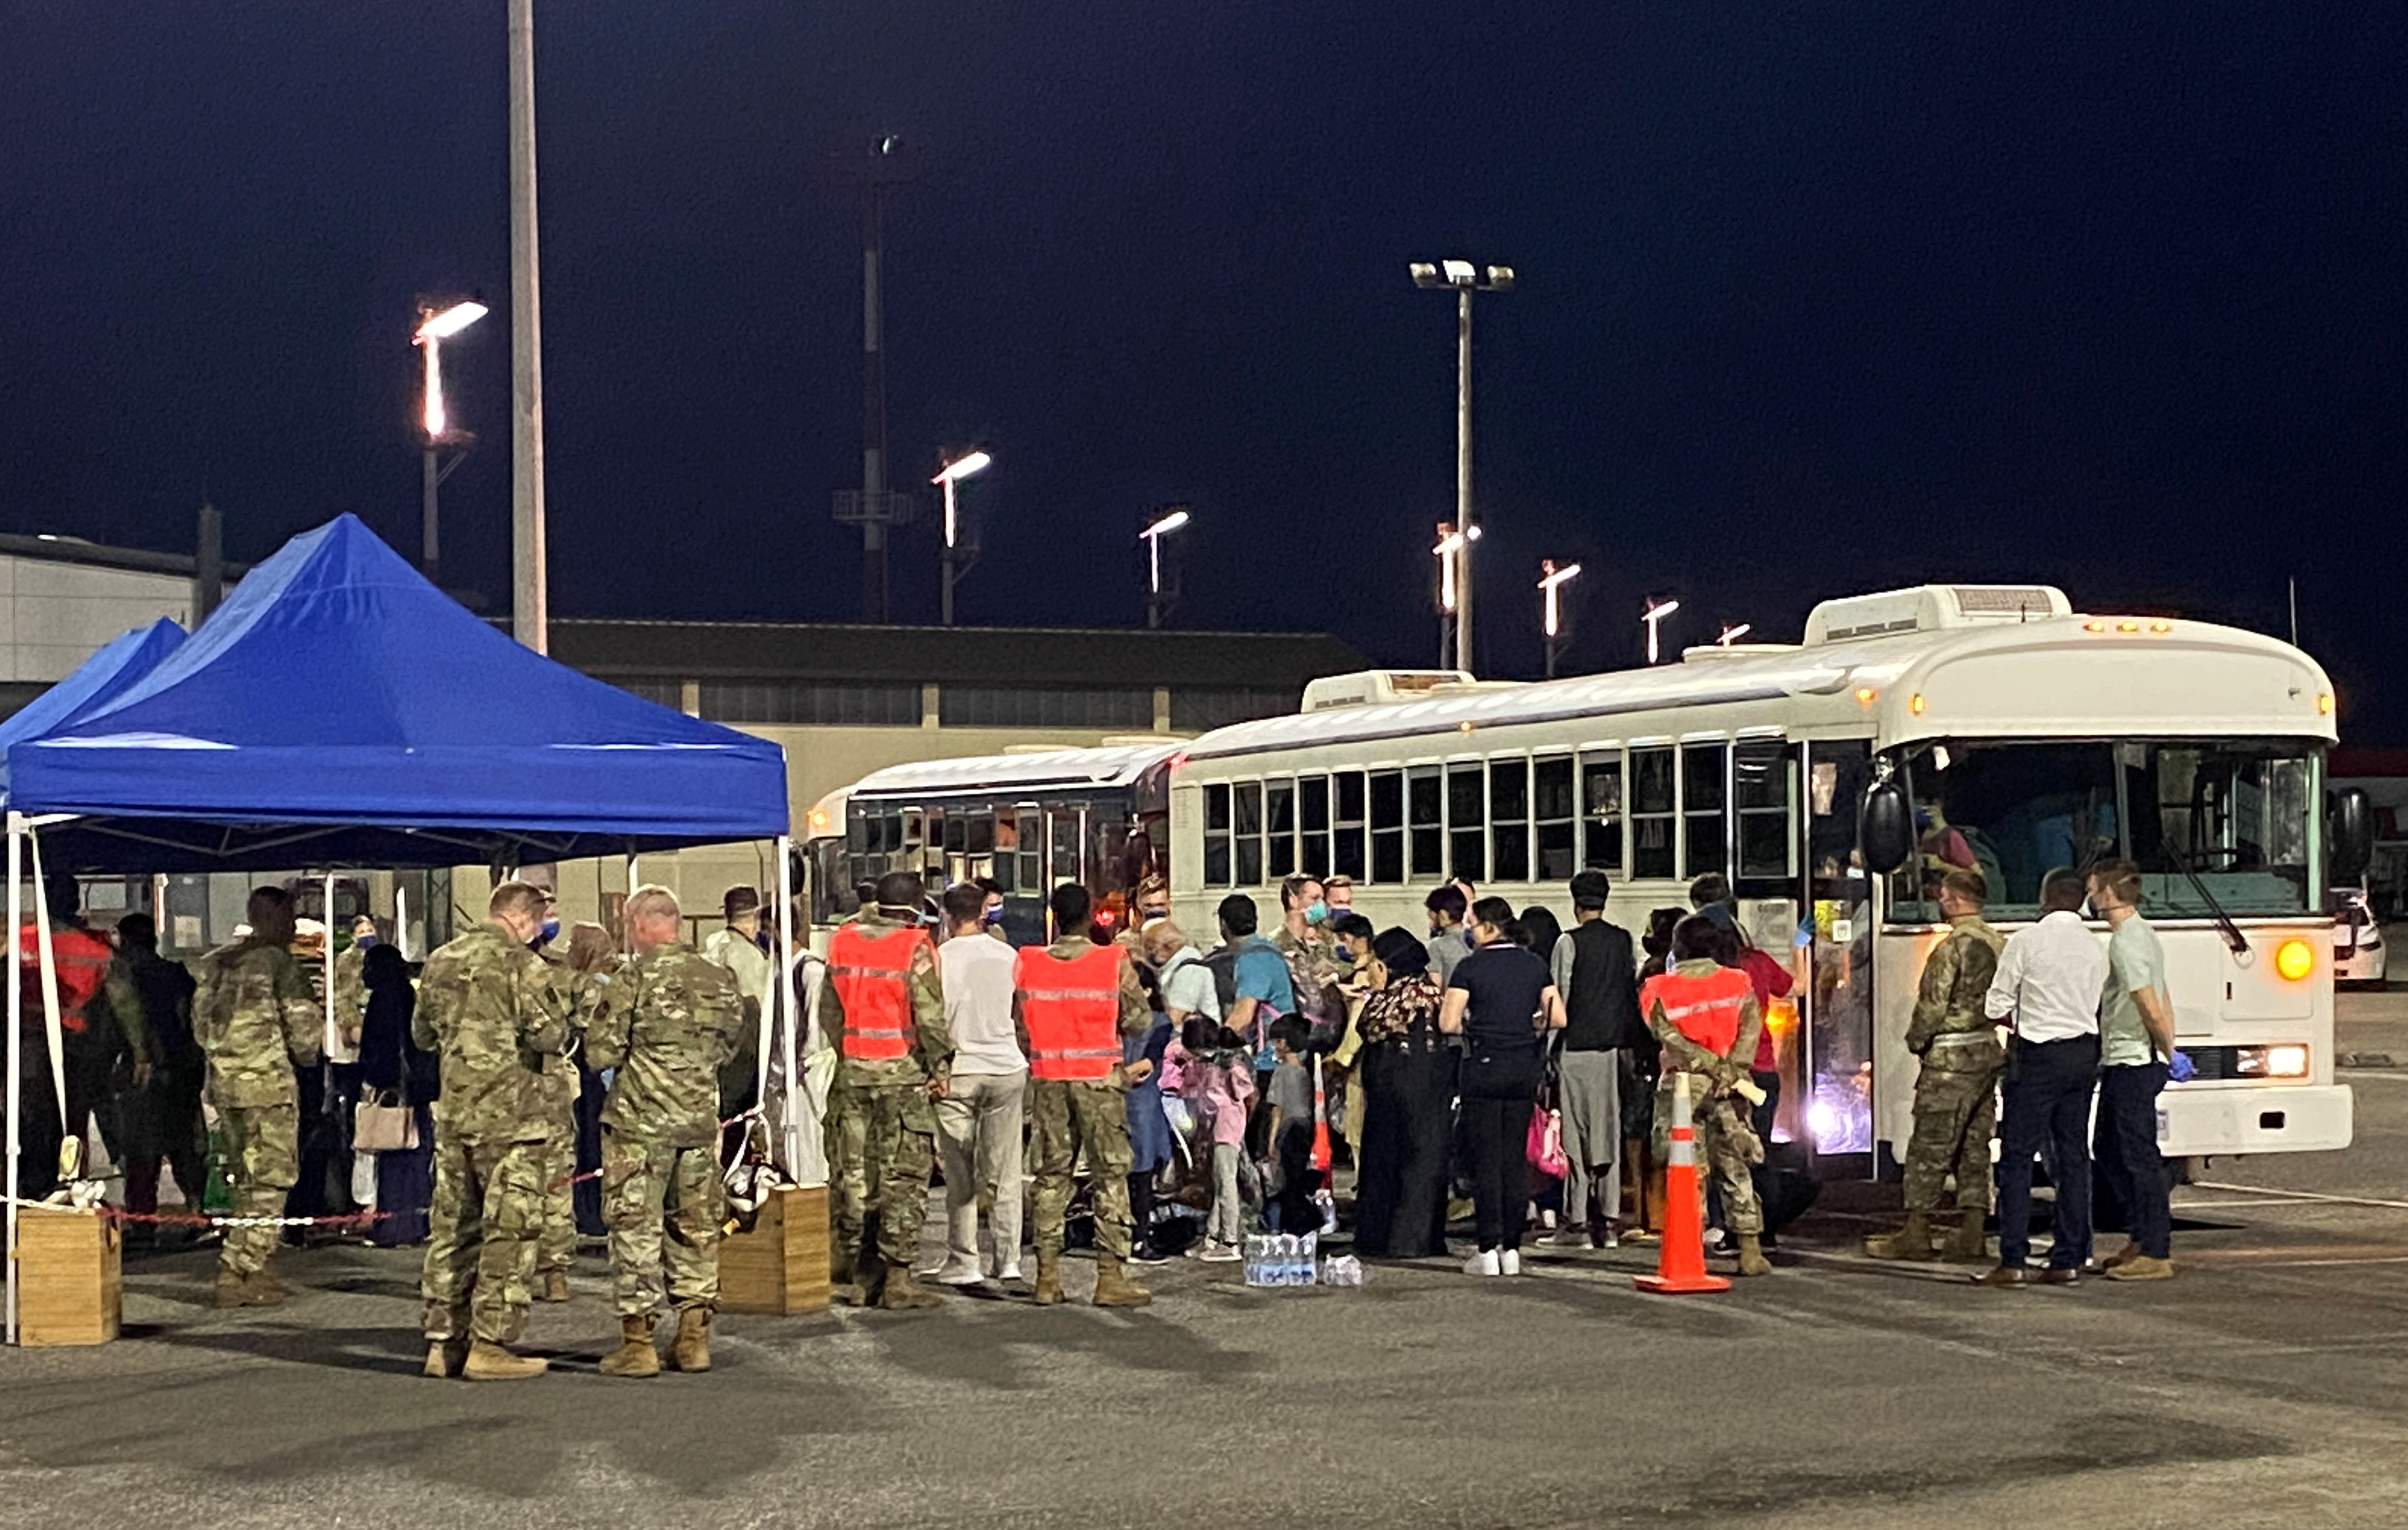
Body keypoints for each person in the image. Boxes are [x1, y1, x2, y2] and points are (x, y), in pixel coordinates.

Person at [413, 879, 574, 1380]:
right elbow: (551, 1034)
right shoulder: (522, 964)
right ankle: (489, 1344)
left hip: (455, 1116)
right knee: (509, 1232)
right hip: (512, 1121)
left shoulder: (440, 960)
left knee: (452, 1230)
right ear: (524, 918)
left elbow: (421, 1034)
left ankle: (442, 1341)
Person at [588, 885, 745, 1377]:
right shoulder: (719, 977)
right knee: (696, 1230)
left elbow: (600, 1052)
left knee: (635, 1229)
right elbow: (731, 1046)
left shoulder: (633, 978)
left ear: (639, 925)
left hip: (639, 1127)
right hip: (698, 1125)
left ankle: (638, 1344)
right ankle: (693, 1339)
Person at [1015, 881, 1155, 1307]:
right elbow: (1139, 1020)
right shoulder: (1111, 961)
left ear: (1054, 916)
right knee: (1109, 1176)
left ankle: (1046, 1278)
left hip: (1049, 1081)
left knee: (1051, 1176)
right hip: (1099, 1081)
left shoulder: (1029, 963)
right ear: (1091, 915)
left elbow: (1021, 1027)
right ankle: (1109, 1278)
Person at [819, 870, 955, 1310]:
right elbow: (929, 1015)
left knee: (856, 1176)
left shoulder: (842, 941)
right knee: (904, 1177)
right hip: (901, 1077)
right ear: (915, 908)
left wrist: (848, 1053)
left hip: (852, 1074)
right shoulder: (913, 946)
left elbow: (828, 1011)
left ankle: (861, 1277)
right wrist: (940, 1067)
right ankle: (898, 1280)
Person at [1975, 867, 2108, 1288]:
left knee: (2017, 1157)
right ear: (2080, 900)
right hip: (2083, 1054)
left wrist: (2020, 1019)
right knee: (2073, 1156)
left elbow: (1995, 1005)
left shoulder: (2027, 940)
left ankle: (2012, 1260)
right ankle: (2068, 1258)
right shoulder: (2096, 946)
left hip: (2037, 1056)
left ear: (2045, 897)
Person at [1866, 869, 2005, 1263]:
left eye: (1944, 896)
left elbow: (1933, 1005)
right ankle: (1973, 1231)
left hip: (1950, 1060)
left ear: (1957, 900)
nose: (1940, 902)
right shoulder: (1998, 943)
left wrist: (1917, 1041)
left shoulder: (1951, 947)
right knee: (1975, 1146)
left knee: (1930, 1145)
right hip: (1986, 1051)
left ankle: (1917, 1230)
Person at [190, 887, 318, 1307]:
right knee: (270, 1180)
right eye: (290, 919)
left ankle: (255, 1266)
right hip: (268, 1086)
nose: (293, 928)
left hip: (225, 1087)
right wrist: (307, 1055)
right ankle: (239, 1267)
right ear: (276, 919)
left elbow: (199, 1026)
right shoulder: (279, 963)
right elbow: (303, 1033)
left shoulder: (216, 962)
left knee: (243, 1180)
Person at [1440, 897, 1567, 1276]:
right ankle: (1512, 1248)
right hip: (1522, 1068)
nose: (1469, 930)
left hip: (1483, 1067)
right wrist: (1525, 1026)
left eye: (1472, 924)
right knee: (1514, 1158)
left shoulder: (1469, 967)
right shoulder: (1534, 964)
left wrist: (1478, 1026)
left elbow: (1448, 1023)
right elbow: (1558, 1017)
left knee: (1486, 1160)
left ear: (1489, 927)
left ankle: (1487, 1249)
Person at [1641, 915, 1773, 1276]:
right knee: (1735, 1166)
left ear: (1678, 947)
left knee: (1688, 1171)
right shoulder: (1738, 982)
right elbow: (1751, 1029)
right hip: (1732, 1088)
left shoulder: (1658, 988)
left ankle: (1690, 1250)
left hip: (1682, 1088)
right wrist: (1730, 1070)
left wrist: (1707, 1065)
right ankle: (1750, 1251)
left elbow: (1668, 1038)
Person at [16, 872, 148, 1202]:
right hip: (81, 1051)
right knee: (72, 1125)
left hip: (29, 1051)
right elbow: (125, 1004)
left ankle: (31, 1191)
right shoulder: (97, 949)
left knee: (30, 1123)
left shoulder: (19, 942)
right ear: (75, 902)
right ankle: (69, 1187)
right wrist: (140, 1053)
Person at [928, 880, 1026, 1286]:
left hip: (960, 1072)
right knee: (1006, 1170)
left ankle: (964, 1260)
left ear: (947, 916)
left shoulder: (939, 958)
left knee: (961, 1173)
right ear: (984, 911)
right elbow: (1019, 1012)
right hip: (1006, 1068)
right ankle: (1009, 1260)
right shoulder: (1010, 956)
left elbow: (932, 1018)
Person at [2088, 859, 2180, 1282]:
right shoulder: (2143, 933)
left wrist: (2166, 1049)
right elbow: (2163, 994)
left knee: (2139, 1155)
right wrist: (2170, 1048)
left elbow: (2148, 1001)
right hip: (2126, 1057)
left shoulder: (2126, 942)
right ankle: (2141, 1236)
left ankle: (2156, 1249)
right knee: (2108, 1147)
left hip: (2133, 1059)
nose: (2090, 898)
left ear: (2108, 893)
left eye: (2093, 890)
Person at [1548, 871, 1642, 1249]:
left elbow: (1560, 998)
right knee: (1608, 1131)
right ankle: (1610, 1216)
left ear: (1576, 904)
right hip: (1612, 1050)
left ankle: (1577, 1220)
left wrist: (1547, 1049)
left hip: (1576, 1048)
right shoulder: (1623, 940)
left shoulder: (1567, 942)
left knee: (1576, 1134)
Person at [1351, 928, 1453, 1259]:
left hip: (1404, 1091)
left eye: (1375, 964)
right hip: (1410, 1092)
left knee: (1404, 1161)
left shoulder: (1407, 998)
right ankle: (1402, 1238)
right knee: (1409, 1160)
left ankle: (1399, 1238)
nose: (1370, 971)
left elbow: (1372, 1027)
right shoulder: (1423, 992)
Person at [112, 913, 204, 1235]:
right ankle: (196, 1210)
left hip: (143, 1071)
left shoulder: (127, 978)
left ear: (126, 942)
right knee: (186, 1146)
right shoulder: (177, 974)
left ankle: (142, 1224)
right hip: (183, 1070)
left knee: (141, 1152)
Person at [359, 939, 439, 1248]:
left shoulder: (384, 999)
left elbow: (379, 1049)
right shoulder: (409, 995)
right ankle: (413, 1225)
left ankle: (394, 1228)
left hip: (396, 1091)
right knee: (414, 1157)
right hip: (416, 1090)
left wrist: (376, 1081)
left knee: (395, 1158)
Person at [1163, 1016, 1253, 1260]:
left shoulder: (1229, 1064)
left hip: (1227, 1129)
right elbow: (1186, 1087)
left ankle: (1231, 1241)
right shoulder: (1202, 1064)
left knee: (1227, 1184)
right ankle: (1212, 1238)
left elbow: (1245, 1093)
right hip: (1212, 1129)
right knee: (1216, 1184)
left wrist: (1228, 1068)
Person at [1262, 1015, 1318, 1234]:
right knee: (1298, 1177)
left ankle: (1296, 1223)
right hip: (1304, 1128)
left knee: (1287, 1181)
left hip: (1288, 1131)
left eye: (1276, 1041)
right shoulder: (1305, 1070)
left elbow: (1277, 1108)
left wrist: (1271, 1140)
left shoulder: (1281, 1072)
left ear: (1285, 1043)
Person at [1423, 885, 1472, 985]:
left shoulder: (1437, 946)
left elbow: (1435, 985)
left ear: (1443, 914)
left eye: (1431, 910)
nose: (1428, 914)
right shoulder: (1476, 941)